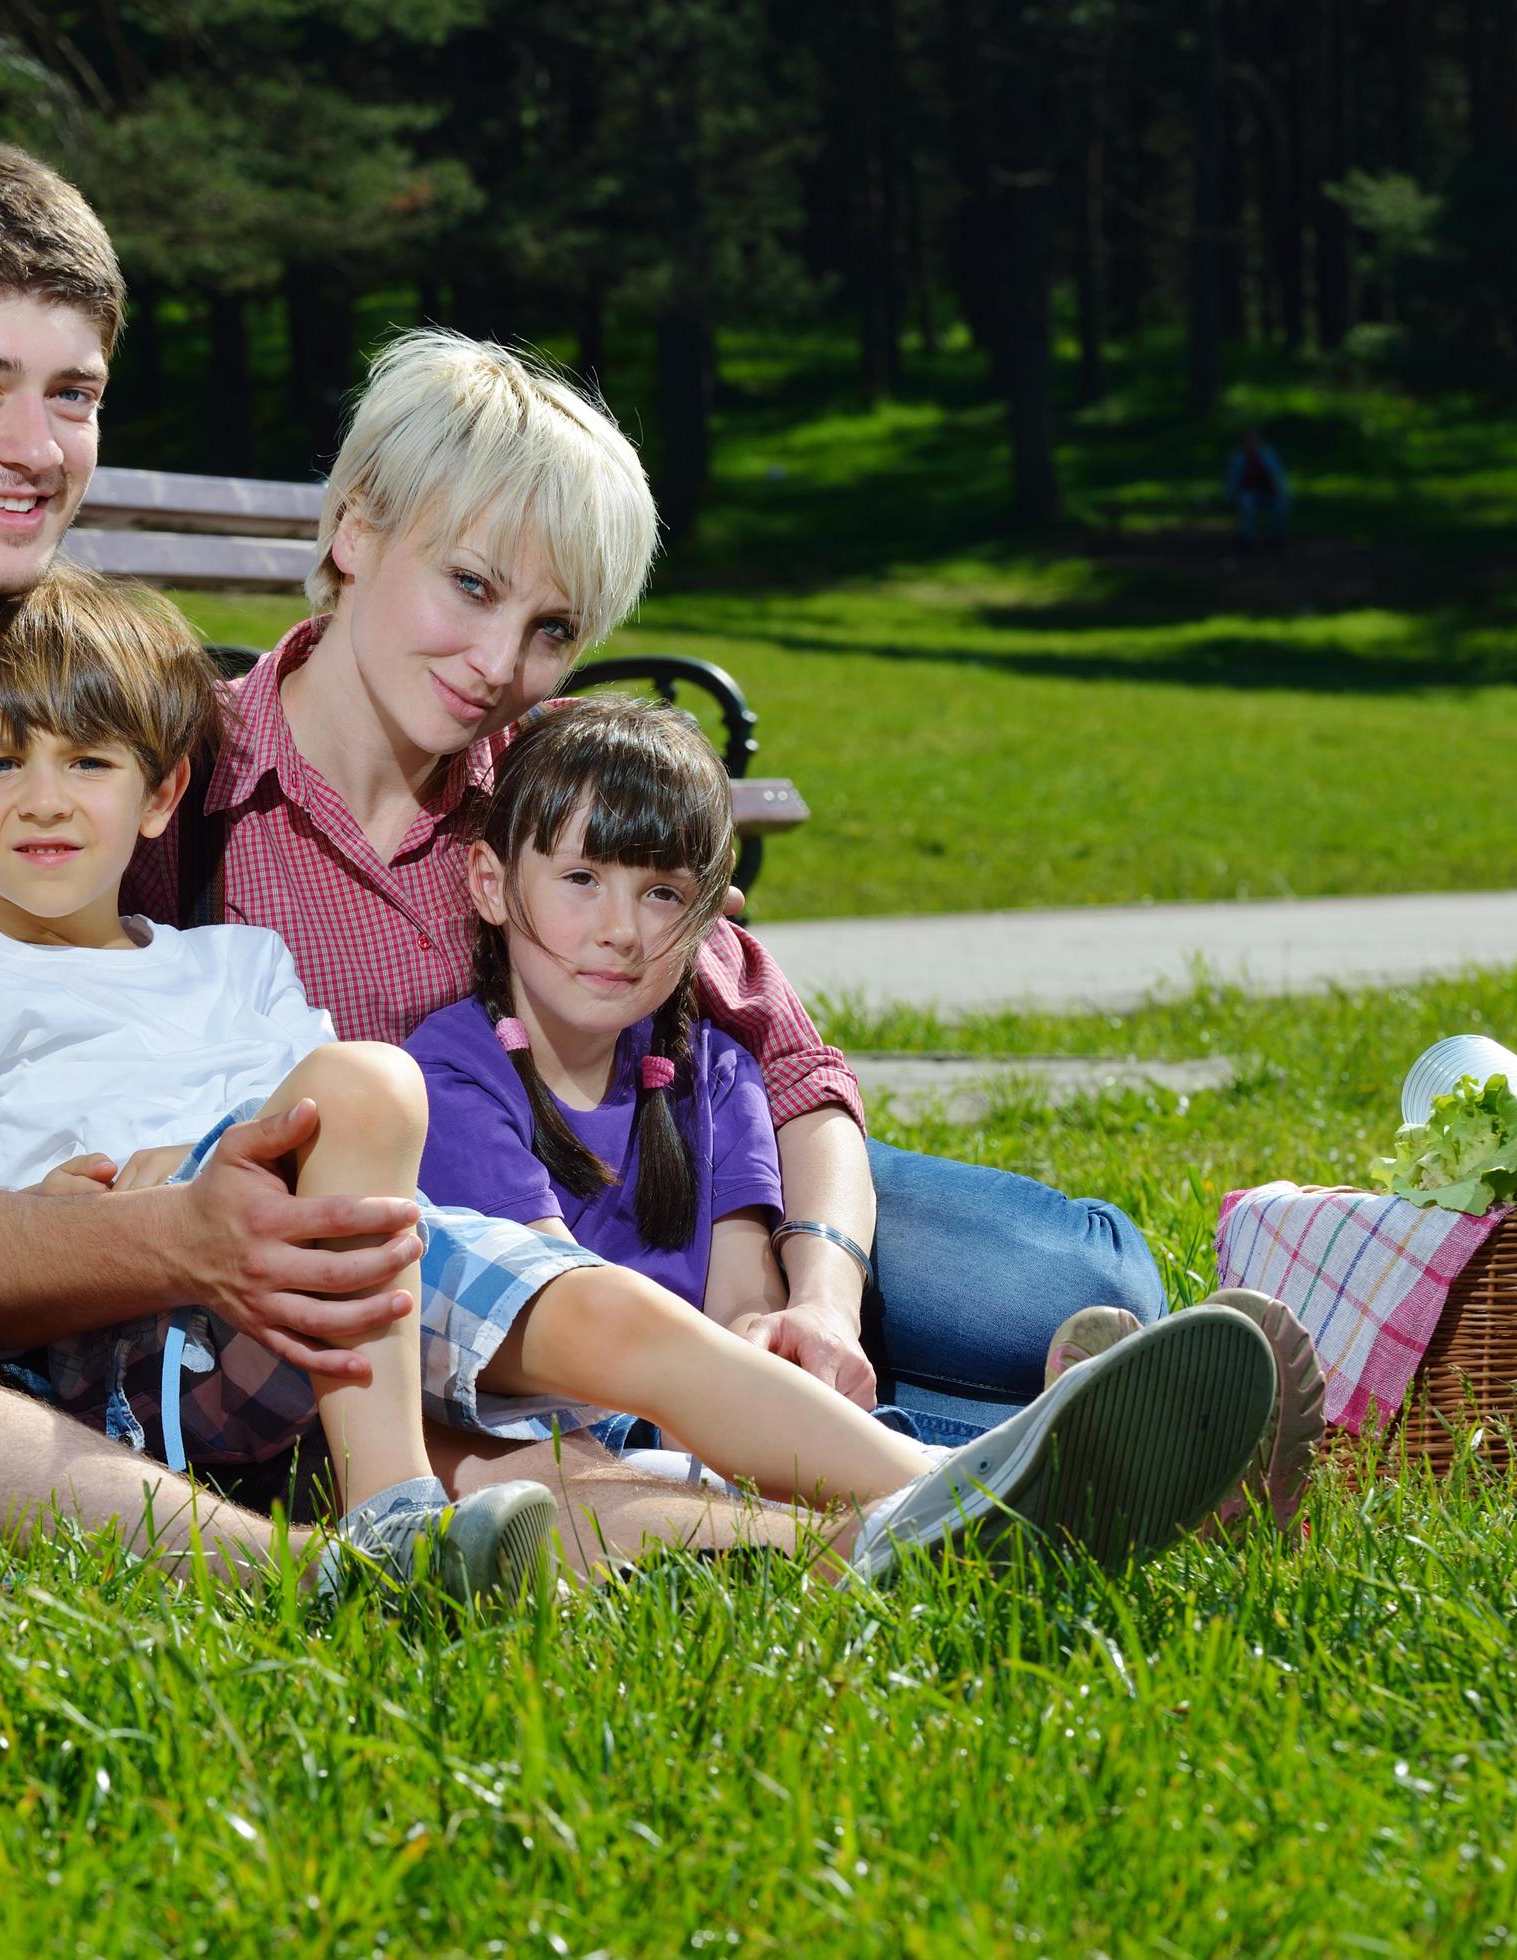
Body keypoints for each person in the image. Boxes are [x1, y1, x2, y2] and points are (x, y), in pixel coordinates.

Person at [0, 139, 799, 1585]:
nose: (33, 444)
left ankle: (893, 1526)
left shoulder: (41, 697)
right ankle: (319, 1580)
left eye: (70, 394)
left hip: (87, 1319)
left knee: (463, 1373)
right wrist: (183, 1239)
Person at [0, 571, 1279, 1577]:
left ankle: (914, 1521)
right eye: (0, 767)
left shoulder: (219, 963)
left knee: (591, 1399)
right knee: (368, 1095)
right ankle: (391, 1515)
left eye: (87, 762)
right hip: (154, 1309)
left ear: (156, 793)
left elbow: (762, 1052)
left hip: (347, 1275)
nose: (45, 799)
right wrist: (59, 1206)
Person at [125, 330, 1168, 1459]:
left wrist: (816, 1293)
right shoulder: (187, 783)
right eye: (469, 585)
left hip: (658, 1204)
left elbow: (789, 1067)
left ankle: (980, 1416)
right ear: (355, 528)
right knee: (1028, 1363)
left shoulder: (549, 780)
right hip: (455, 1301)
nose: (494, 661)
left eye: (551, 629)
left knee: (1079, 1275)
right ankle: (1044, 1448)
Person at [1226, 429, 1290, 542]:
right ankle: (1248, 538)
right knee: (1247, 505)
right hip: (1249, 493)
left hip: (1268, 492)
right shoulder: (1238, 458)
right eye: (1248, 440)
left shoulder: (1268, 455)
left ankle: (1277, 536)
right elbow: (1233, 479)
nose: (1251, 443)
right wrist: (1232, 497)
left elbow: (1277, 476)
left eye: (1254, 440)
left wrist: (1280, 492)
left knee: (1281, 505)